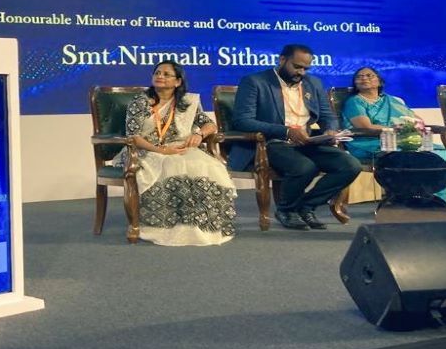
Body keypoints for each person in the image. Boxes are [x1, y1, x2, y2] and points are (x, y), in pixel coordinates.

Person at [227, 44, 361, 230]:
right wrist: (286, 131)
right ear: (282, 60)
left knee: (350, 165)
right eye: (297, 67)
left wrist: (330, 131)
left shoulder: (313, 83)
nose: (301, 72)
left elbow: (327, 116)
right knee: (304, 167)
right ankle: (287, 210)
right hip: (271, 142)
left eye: (306, 68)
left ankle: (306, 206)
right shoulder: (255, 82)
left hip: (307, 142)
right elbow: (243, 121)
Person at [114, 60, 237, 245]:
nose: (160, 76)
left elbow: (210, 125)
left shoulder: (186, 102)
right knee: (175, 163)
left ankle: (202, 224)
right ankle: (166, 225)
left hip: (177, 147)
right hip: (145, 150)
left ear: (178, 81)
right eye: (157, 73)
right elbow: (134, 137)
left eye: (166, 74)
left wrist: (199, 134)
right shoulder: (140, 101)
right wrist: (162, 150)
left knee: (207, 164)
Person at [341, 66, 446, 215]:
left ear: (379, 81)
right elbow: (365, 126)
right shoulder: (355, 102)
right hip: (371, 142)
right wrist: (393, 129)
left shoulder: (391, 101)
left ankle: (443, 202)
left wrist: (410, 129)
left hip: (400, 140)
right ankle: (414, 201)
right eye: (359, 77)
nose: (364, 78)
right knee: (412, 156)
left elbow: (416, 120)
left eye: (369, 75)